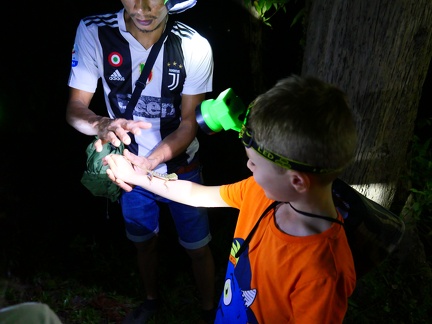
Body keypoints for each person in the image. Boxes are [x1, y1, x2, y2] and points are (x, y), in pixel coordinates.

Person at [104, 75, 358, 323]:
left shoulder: (323, 274)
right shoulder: (259, 192)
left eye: (255, 163)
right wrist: (138, 176)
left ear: (297, 181)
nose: (248, 166)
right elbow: (194, 194)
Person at [65, 0, 216, 322]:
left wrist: (153, 161)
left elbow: (190, 122)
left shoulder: (193, 45)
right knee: (143, 242)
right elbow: (76, 107)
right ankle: (150, 301)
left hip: (180, 168)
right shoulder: (94, 30)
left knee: (198, 247)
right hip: (128, 168)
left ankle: (208, 309)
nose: (143, 8)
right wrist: (101, 124)